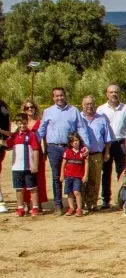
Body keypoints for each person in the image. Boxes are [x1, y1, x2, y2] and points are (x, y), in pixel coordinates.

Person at [37, 87, 90, 216]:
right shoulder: (48, 111)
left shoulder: (73, 111)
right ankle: (58, 204)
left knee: (75, 175)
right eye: (56, 96)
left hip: (70, 148)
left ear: (65, 96)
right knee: (57, 177)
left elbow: (81, 128)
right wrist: (33, 144)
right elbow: (41, 130)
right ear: (53, 97)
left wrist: (86, 145)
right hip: (53, 148)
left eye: (61, 95)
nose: (59, 98)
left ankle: (76, 206)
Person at [97, 85, 126, 211]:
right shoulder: (101, 109)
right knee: (106, 172)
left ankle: (122, 199)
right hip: (106, 144)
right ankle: (106, 200)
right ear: (107, 94)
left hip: (120, 142)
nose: (114, 94)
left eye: (116, 92)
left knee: (122, 173)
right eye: (111, 92)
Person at [80, 95, 111, 213]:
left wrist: (107, 153)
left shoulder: (102, 119)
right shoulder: (78, 118)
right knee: (82, 180)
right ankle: (81, 204)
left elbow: (107, 138)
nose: (89, 106)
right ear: (82, 105)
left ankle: (92, 203)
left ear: (95, 105)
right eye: (87, 104)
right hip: (81, 155)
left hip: (97, 154)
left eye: (91, 104)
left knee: (95, 180)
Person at [9, 114, 41, 216]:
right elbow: (7, 144)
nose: (22, 125)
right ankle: (20, 207)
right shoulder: (14, 136)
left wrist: (35, 164)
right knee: (19, 188)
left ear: (27, 122)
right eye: (20, 123)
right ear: (16, 124)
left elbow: (35, 150)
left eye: (24, 123)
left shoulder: (31, 135)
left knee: (32, 188)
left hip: (29, 167)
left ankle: (35, 207)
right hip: (16, 167)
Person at [59, 132, 89, 216]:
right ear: (70, 143)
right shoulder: (67, 151)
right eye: (73, 141)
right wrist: (62, 174)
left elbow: (86, 163)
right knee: (69, 193)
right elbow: (63, 163)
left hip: (78, 176)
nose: (75, 142)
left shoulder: (83, 151)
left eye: (77, 140)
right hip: (68, 175)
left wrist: (85, 175)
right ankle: (71, 208)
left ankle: (79, 208)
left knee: (76, 192)